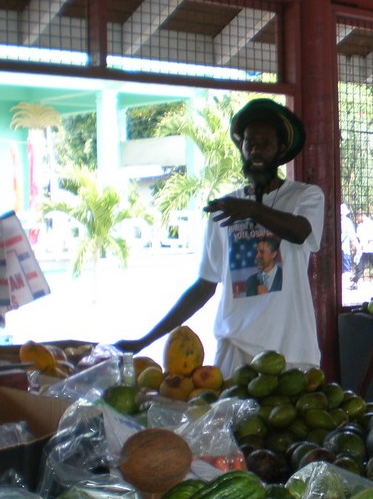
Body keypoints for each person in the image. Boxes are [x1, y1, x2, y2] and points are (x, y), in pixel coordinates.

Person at [115, 98, 324, 374]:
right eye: (249, 143)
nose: (256, 151)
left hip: (291, 352)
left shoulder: (304, 196)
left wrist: (252, 210)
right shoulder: (225, 210)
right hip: (234, 349)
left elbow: (300, 232)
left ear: (281, 149)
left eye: (265, 143)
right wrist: (145, 340)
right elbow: (205, 286)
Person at [350, 210, 373, 291]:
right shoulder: (360, 226)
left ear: (360, 215)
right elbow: (359, 237)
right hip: (365, 250)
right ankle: (355, 283)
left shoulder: (371, 224)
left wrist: (366, 241)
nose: (356, 220)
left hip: (372, 249)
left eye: (357, 217)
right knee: (360, 266)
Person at [340, 203, 357, 273]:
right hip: (345, 251)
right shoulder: (347, 222)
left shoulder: (332, 220)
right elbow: (353, 238)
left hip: (334, 252)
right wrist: (358, 249)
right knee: (346, 272)